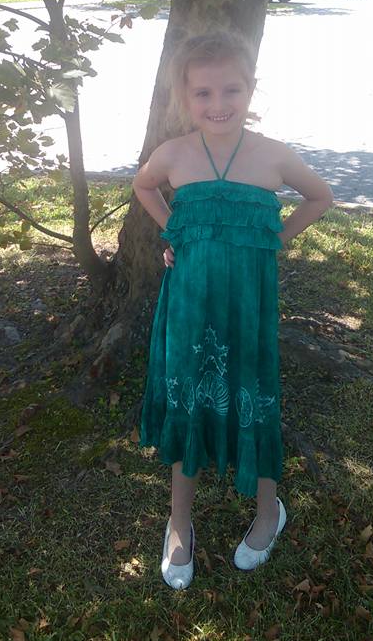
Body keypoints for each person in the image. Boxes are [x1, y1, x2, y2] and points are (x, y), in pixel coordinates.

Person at [133, 31, 333, 589]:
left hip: (249, 308)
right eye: (203, 93)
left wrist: (276, 238)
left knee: (254, 395)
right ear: (184, 97)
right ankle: (178, 523)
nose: (218, 103)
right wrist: (174, 230)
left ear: (251, 89)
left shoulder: (273, 155)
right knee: (189, 400)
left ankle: (270, 512)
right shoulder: (173, 154)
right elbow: (144, 187)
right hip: (189, 307)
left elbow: (320, 196)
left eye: (231, 90)